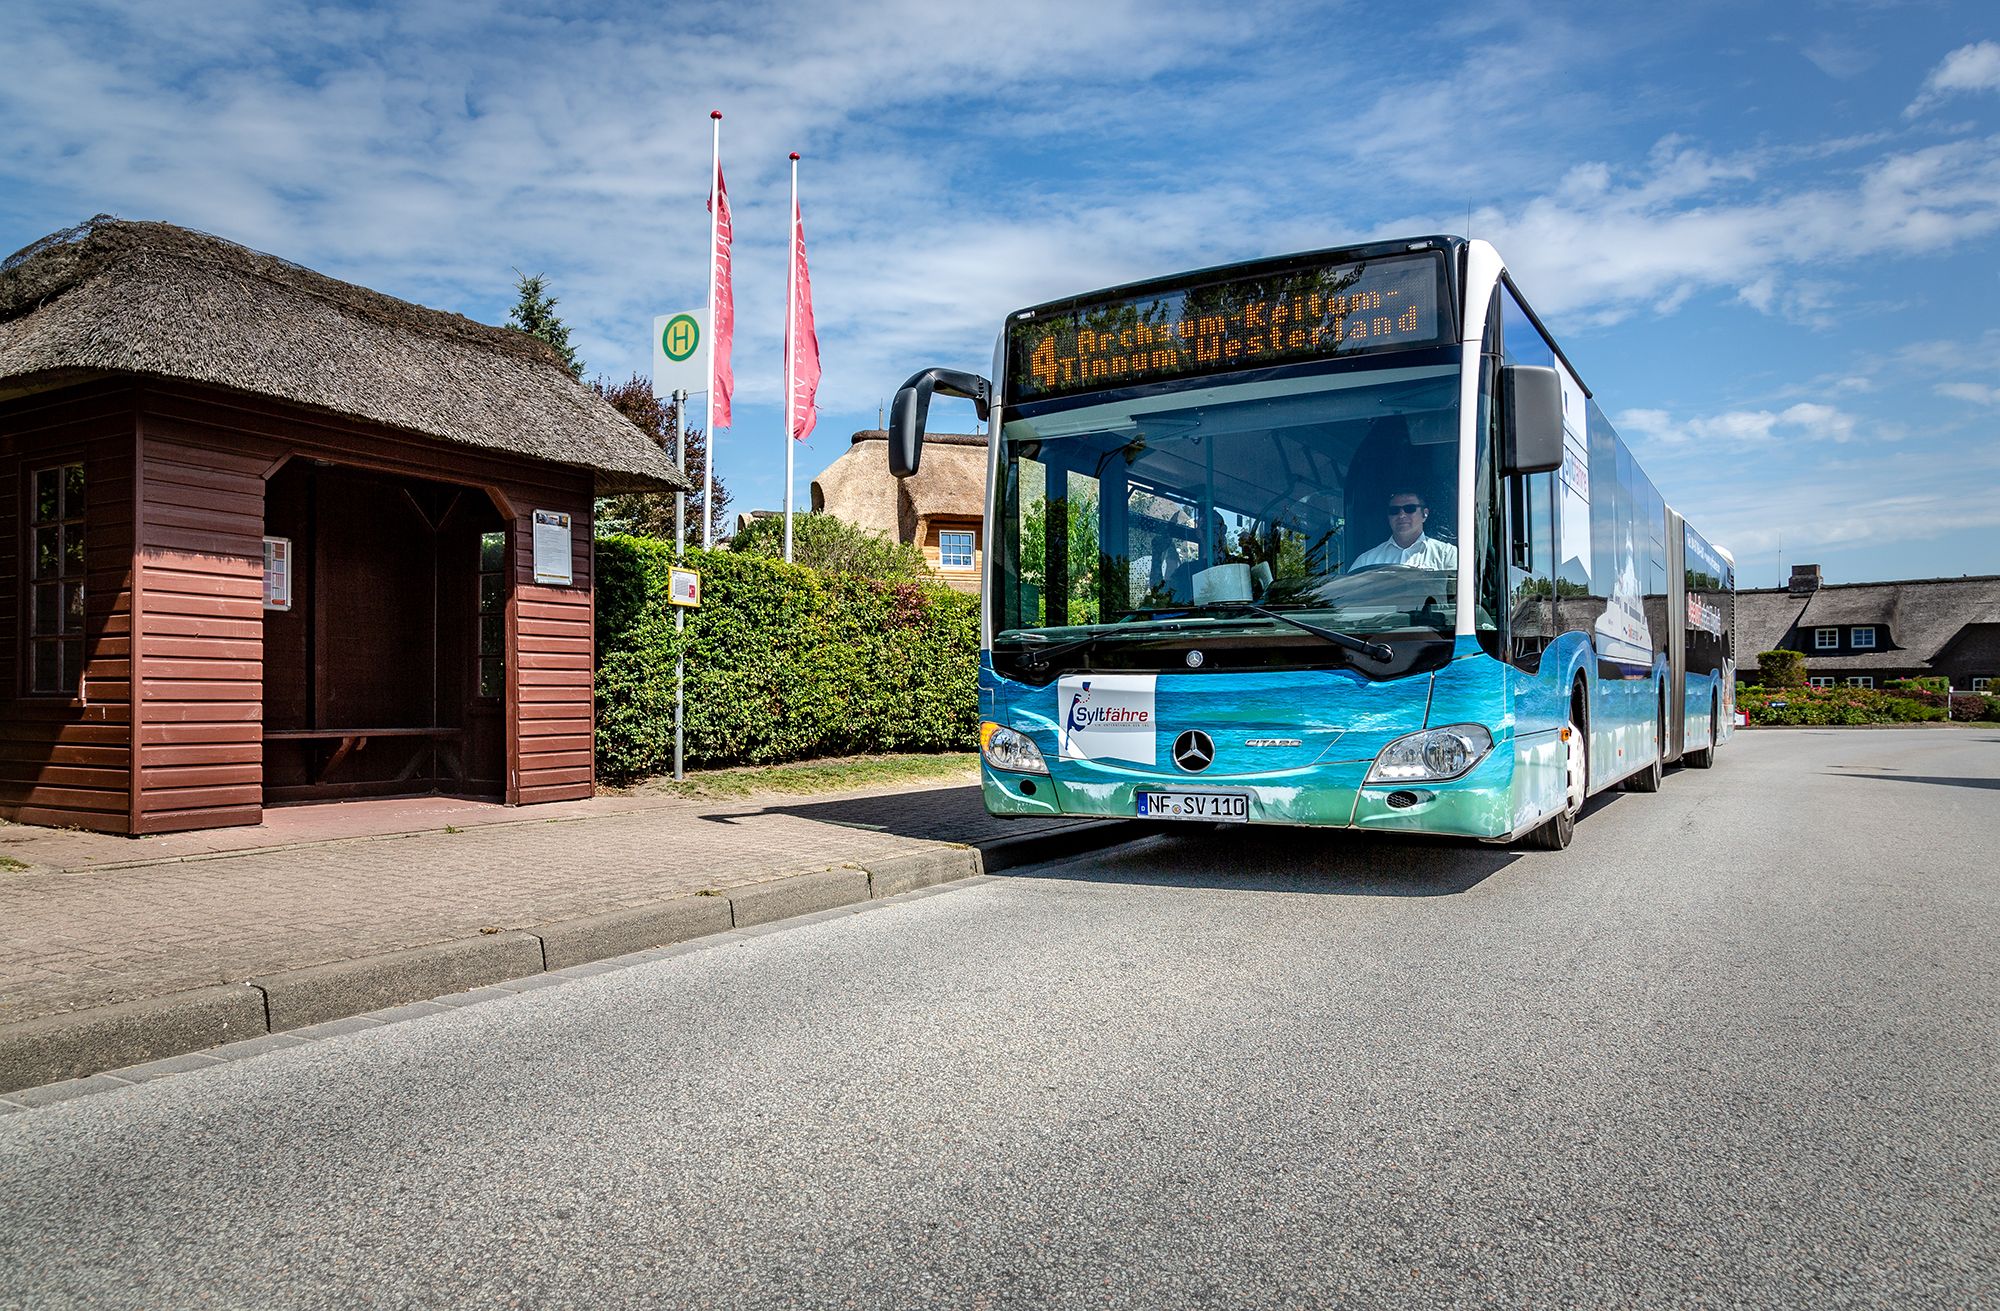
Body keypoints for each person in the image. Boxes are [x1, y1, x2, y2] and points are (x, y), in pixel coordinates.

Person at [1349, 489, 1457, 570]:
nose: (1401, 515)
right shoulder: (1366, 561)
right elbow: (1349, 596)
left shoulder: (1447, 555)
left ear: (1425, 514)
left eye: (1410, 509)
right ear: (1388, 517)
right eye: (1394, 510)